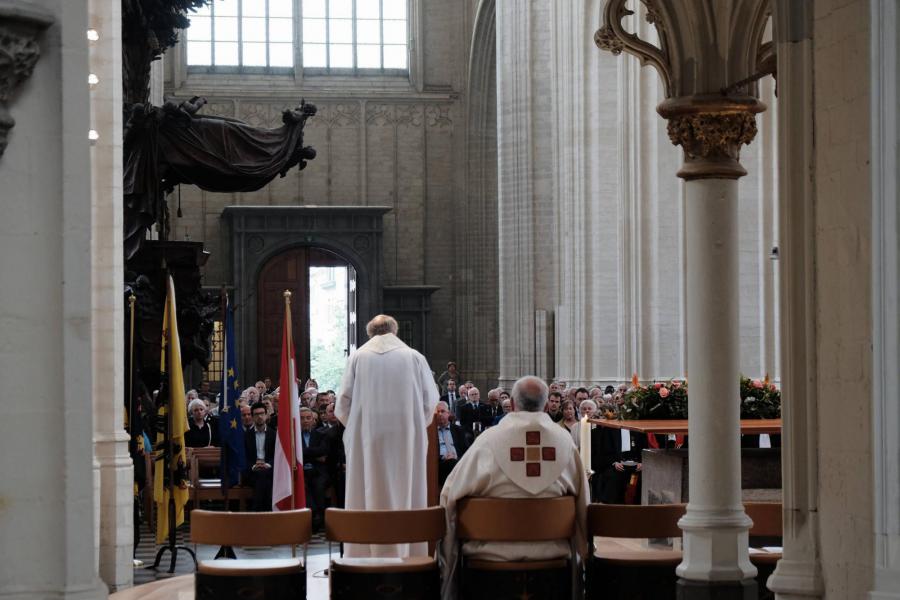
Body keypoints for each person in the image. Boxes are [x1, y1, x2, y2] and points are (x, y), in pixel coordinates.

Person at [439, 376, 589, 600]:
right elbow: (584, 509)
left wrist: (447, 567)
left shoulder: (487, 441)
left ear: (513, 405)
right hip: (552, 570)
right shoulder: (565, 443)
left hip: (489, 569)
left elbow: (449, 497)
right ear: (546, 405)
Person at [336, 314, 439, 557]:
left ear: (371, 333)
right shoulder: (414, 357)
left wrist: (360, 428)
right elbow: (431, 401)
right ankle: (408, 552)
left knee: (365, 490)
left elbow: (342, 404)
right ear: (395, 331)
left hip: (366, 441)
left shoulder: (358, 357)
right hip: (406, 439)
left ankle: (363, 555)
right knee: (407, 490)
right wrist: (413, 426)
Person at [243, 401, 276, 511]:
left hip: (269, 470)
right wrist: (253, 466)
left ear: (266, 415)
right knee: (261, 477)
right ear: (252, 417)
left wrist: (267, 465)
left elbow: (278, 457)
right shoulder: (246, 436)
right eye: (256, 414)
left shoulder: (274, 434)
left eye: (262, 413)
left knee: (263, 476)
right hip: (252, 471)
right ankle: (267, 512)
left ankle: (256, 511)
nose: (260, 416)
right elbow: (244, 458)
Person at [434, 401, 469, 486]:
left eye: (442, 411)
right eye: (437, 412)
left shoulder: (458, 430)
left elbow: (467, 451)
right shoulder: (431, 433)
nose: (440, 414)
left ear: (448, 413)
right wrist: (443, 457)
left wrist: (456, 457)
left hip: (458, 462)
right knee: (451, 464)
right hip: (440, 466)